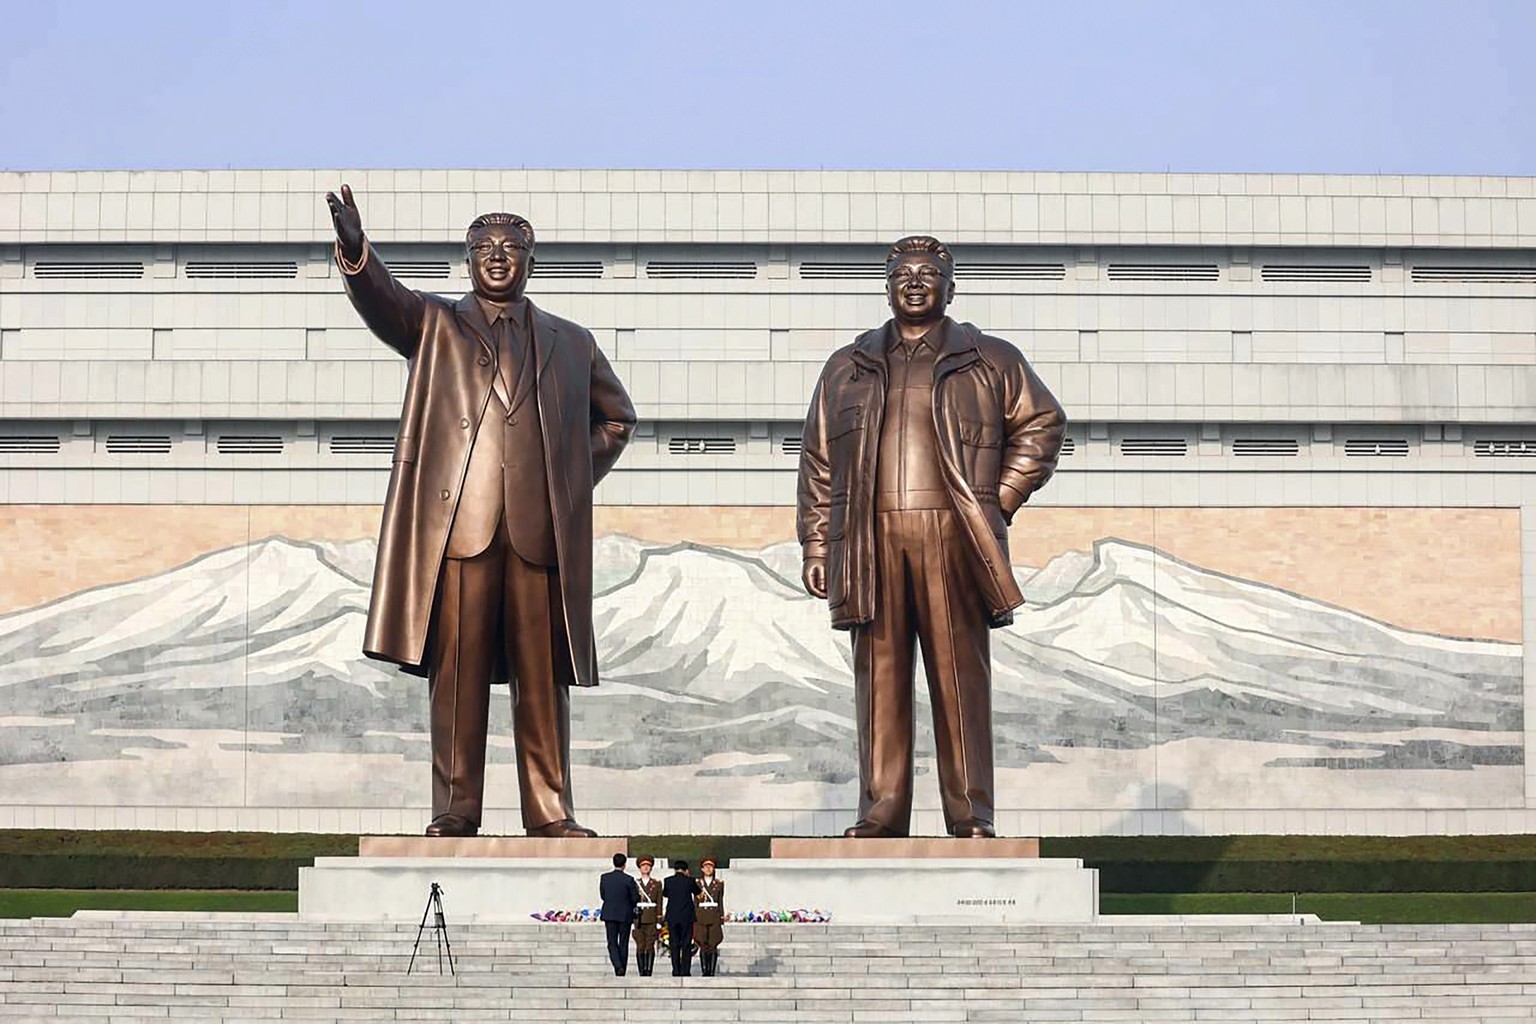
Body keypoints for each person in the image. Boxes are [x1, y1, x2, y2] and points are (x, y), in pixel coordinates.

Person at [325, 185, 636, 839]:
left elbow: (617, 419)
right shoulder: (437, 325)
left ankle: (551, 812)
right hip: (462, 531)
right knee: (457, 677)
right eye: (485, 249)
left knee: (542, 680)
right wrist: (357, 252)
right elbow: (386, 305)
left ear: (531, 260)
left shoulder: (571, 342)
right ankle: (455, 809)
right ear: (468, 260)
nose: (498, 259)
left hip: (538, 534)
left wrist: (569, 480)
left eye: (512, 249)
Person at [797, 235, 1066, 840]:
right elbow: (817, 462)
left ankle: (971, 813)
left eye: (927, 273)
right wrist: (818, 546)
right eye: (902, 273)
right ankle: (881, 810)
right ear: (886, 284)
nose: (914, 282)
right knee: (880, 679)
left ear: (951, 287)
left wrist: (999, 499)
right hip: (869, 540)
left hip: (954, 535)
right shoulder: (848, 365)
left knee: (959, 677)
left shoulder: (990, 358)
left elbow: (1043, 424)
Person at [598, 853, 641, 976]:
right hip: (625, 914)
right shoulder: (628, 879)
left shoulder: (605, 878)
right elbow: (634, 898)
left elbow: (603, 895)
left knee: (612, 942)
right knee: (623, 942)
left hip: (610, 914)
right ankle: (622, 968)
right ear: (624, 864)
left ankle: (617, 965)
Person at [661, 859, 701, 976]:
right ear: (686, 870)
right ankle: (685, 970)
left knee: (674, 944)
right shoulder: (690, 881)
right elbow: (698, 892)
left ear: (675, 870)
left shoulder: (668, 881)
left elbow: (665, 894)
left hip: (672, 917)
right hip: (687, 916)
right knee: (686, 944)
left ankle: (676, 970)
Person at [693, 856, 726, 976]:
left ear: (714, 868)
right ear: (702, 869)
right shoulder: (697, 883)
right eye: (705, 866)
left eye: (710, 866)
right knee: (703, 944)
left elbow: (720, 901)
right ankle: (704, 971)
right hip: (701, 916)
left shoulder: (719, 884)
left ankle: (711, 971)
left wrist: (721, 916)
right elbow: (695, 902)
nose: (708, 869)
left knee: (713, 944)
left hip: (714, 916)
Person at [631, 855, 663, 977]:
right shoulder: (635, 883)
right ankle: (641, 971)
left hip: (651, 917)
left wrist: (659, 918)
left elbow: (659, 901)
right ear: (639, 867)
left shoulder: (656, 884)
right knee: (640, 945)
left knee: (650, 945)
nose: (645, 867)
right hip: (638, 918)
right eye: (643, 865)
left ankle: (648, 970)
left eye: (648, 865)